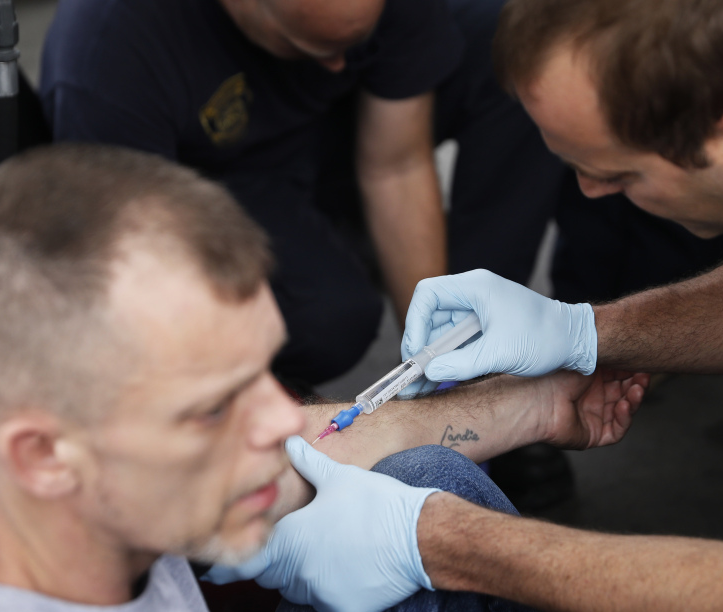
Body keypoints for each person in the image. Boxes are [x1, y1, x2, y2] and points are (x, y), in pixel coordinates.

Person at [218, 0, 723, 612]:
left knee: (402, 592)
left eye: (618, 171)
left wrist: (434, 542)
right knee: (423, 475)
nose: (587, 192)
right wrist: (584, 332)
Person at [0, 143, 640, 612]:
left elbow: (318, 441)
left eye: (261, 371)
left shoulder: (29, 440)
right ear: (42, 456)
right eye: (214, 408)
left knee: (430, 485)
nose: (283, 419)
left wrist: (536, 407)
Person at [39, 0, 565, 388]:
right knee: (329, 322)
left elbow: (397, 165)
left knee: (512, 52)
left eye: (349, 45)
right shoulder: (108, 52)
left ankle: (483, 347)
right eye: (317, 48)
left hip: (347, 127)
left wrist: (438, 357)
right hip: (218, 179)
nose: (339, 64)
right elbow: (131, 275)